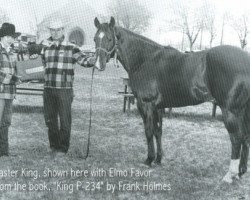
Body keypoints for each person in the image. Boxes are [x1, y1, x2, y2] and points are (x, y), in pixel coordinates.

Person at [30, 19, 96, 156]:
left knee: (65, 120)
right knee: (50, 120)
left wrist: (95, 60)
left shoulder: (72, 47)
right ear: (50, 31)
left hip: (65, 90)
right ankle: (53, 146)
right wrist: (33, 58)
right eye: (52, 30)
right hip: (48, 89)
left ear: (63, 31)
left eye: (58, 30)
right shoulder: (46, 48)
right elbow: (38, 66)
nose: (55, 33)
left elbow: (84, 60)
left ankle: (63, 148)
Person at [0, 23, 21, 157]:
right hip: (1, 92)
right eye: (9, 36)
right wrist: (9, 77)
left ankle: (3, 151)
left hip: (10, 93)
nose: (11, 39)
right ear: (3, 36)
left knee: (6, 121)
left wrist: (19, 77)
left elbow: (15, 71)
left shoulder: (12, 52)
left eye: (12, 37)